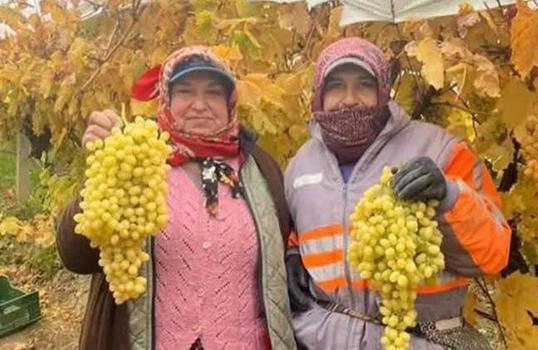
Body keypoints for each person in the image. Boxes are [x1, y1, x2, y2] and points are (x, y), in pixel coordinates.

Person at [55, 45, 296, 350]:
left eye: (212, 92)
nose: (199, 104)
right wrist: (104, 173)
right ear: (166, 99)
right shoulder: (138, 160)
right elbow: (74, 256)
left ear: (229, 101)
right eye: (185, 91)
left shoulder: (261, 170)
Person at [284, 37, 511, 349]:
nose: (349, 99)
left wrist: (448, 196)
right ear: (318, 96)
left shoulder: (442, 151)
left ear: (383, 92)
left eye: (363, 84)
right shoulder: (299, 165)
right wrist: (293, 251)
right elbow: (297, 224)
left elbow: (494, 254)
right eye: (336, 86)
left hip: (415, 340)